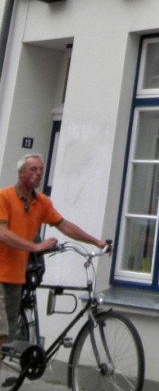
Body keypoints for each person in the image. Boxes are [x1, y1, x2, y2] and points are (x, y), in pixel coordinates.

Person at [0, 154, 108, 359]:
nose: (39, 172)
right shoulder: (4, 197)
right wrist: (35, 246)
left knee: (6, 337)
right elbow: (2, 233)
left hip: (15, 276)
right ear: (20, 173)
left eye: (41, 169)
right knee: (0, 332)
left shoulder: (41, 203)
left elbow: (64, 226)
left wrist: (96, 241)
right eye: (33, 169)